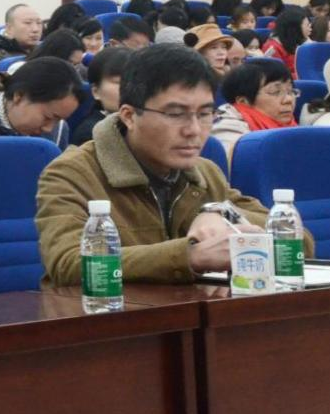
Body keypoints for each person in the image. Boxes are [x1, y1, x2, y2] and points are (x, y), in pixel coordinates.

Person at [35, 44, 313, 286]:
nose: (194, 130)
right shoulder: (72, 173)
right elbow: (68, 263)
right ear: (129, 116)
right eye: (176, 114)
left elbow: (300, 242)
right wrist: (190, 255)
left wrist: (222, 213)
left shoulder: (204, 172)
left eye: (204, 114)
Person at [212, 61, 298, 159]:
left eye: (290, 91)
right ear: (243, 101)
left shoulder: (294, 126)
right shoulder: (229, 131)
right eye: (275, 92)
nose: (289, 99)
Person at [70, 47, 131, 146]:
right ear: (96, 91)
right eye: (119, 83)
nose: (128, 88)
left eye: (133, 82)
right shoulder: (91, 133)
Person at [261, 7, 311, 79]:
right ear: (295, 28)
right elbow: (276, 75)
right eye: (307, 25)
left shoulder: (296, 43)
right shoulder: (272, 47)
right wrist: (305, 75)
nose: (310, 28)